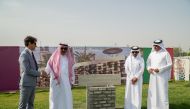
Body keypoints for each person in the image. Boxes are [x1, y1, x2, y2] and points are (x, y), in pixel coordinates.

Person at [45, 43, 75, 109]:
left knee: (66, 98)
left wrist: (72, 82)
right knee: (55, 99)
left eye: (65, 48)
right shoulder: (53, 58)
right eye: (62, 48)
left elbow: (72, 71)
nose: (63, 50)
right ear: (59, 48)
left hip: (66, 83)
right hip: (56, 83)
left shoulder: (69, 59)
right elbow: (47, 69)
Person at [147, 39, 172, 109]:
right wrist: (149, 69)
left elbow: (170, 64)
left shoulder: (165, 53)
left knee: (162, 92)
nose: (155, 47)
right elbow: (148, 63)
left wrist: (160, 69)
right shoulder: (151, 54)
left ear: (160, 46)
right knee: (153, 92)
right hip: (153, 77)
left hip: (162, 77)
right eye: (154, 45)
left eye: (157, 45)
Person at [18, 36, 40, 109]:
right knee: (22, 106)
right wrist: (40, 73)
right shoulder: (24, 54)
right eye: (34, 43)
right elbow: (27, 70)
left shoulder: (30, 54)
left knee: (30, 105)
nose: (36, 45)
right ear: (30, 43)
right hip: (26, 84)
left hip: (32, 83)